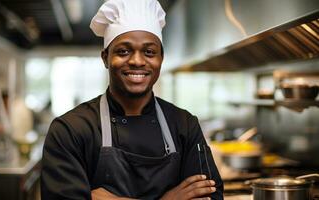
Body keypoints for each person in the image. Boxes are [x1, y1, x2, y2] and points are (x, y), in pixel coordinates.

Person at [41, 0, 224, 199]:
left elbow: (209, 196)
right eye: (123, 51)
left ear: (161, 59)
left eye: (149, 52)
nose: (137, 61)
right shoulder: (70, 130)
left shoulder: (185, 125)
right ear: (105, 58)